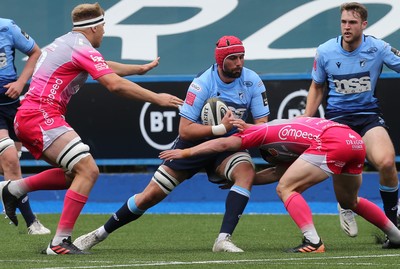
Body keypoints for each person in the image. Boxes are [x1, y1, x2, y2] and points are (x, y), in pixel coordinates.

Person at [0, 2, 183, 255]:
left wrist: (138, 70)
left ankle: (14, 188)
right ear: (94, 27)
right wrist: (157, 98)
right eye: (104, 26)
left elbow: (102, 64)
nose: (105, 31)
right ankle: (59, 242)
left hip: (29, 115)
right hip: (41, 114)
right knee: (88, 169)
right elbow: (114, 85)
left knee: (74, 174)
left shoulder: (67, 42)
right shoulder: (80, 47)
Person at [72, 35, 270, 253]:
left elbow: (262, 124)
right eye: (233, 58)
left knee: (246, 171)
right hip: (192, 144)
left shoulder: (252, 81)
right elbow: (185, 130)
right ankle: (100, 233)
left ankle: (223, 239)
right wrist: (219, 129)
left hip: (227, 146)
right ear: (221, 60)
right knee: (149, 197)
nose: (239, 63)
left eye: (242, 57)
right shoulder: (202, 83)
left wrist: (241, 127)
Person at [159, 116, 400, 252]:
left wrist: (186, 152)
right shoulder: (283, 130)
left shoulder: (260, 133)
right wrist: (250, 180)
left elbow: (222, 145)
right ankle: (396, 235)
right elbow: (279, 170)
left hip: (333, 142)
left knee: (286, 188)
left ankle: (313, 242)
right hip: (353, 140)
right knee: (350, 201)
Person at [303, 2, 400, 238]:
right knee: (347, 188)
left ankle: (391, 224)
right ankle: (345, 204)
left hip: (368, 117)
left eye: (352, 23)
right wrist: (306, 120)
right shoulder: (325, 51)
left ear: (364, 25)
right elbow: (317, 86)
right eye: (344, 22)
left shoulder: (378, 47)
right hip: (338, 121)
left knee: (387, 164)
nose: (347, 27)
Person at [0, 18, 51, 235]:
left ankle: (8, 194)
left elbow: (36, 52)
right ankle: (32, 223)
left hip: (12, 104)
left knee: (10, 165)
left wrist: (21, 82)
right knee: (10, 161)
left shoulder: (7, 27)